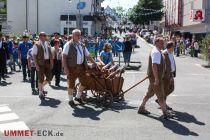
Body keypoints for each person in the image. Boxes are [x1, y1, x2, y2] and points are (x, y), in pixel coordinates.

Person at [138, 37, 175, 119]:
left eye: (163, 43)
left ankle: (141, 107)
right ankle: (165, 113)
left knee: (149, 93)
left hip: (154, 77)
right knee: (161, 95)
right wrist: (157, 79)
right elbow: (154, 66)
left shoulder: (158, 51)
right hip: (156, 78)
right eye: (161, 43)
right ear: (156, 43)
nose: (163, 44)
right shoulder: (156, 52)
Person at [62, 29, 99, 107]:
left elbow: (88, 56)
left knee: (84, 82)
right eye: (77, 35)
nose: (79, 36)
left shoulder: (82, 45)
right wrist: (65, 67)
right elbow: (64, 56)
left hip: (81, 67)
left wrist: (95, 63)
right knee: (71, 84)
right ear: (73, 36)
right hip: (72, 67)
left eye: (79, 35)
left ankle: (78, 97)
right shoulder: (68, 44)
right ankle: (70, 100)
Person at [155, 41, 176, 110]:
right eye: (173, 46)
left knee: (171, 89)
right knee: (165, 89)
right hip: (166, 75)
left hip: (171, 74)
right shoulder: (164, 54)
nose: (174, 47)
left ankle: (160, 101)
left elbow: (172, 63)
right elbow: (159, 65)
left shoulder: (171, 53)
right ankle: (163, 104)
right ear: (170, 47)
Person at [33, 32, 53, 99]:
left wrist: (51, 63)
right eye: (41, 35)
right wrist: (36, 65)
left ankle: (40, 87)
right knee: (41, 79)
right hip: (40, 63)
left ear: (45, 36)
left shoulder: (48, 43)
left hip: (47, 62)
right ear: (39, 36)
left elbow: (50, 54)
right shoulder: (36, 44)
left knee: (49, 78)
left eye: (44, 35)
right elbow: (34, 55)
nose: (42, 36)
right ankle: (40, 93)